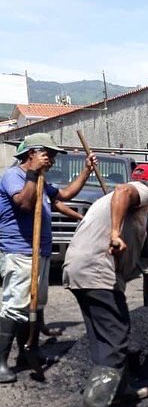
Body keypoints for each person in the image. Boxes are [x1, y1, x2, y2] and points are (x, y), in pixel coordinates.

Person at [63, 164, 148, 407]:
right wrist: (116, 234)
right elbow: (123, 190)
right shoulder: (141, 191)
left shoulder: (113, 203)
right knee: (116, 338)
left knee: (103, 334)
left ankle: (118, 391)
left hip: (80, 270)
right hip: (97, 273)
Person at [0, 133, 96, 384]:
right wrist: (32, 172)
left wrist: (86, 171)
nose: (51, 159)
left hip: (39, 250)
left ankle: (25, 353)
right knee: (15, 305)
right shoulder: (15, 175)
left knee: (31, 304)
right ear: (32, 153)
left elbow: (63, 195)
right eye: (48, 154)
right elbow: (23, 203)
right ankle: (0, 362)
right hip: (20, 250)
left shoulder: (42, 178)